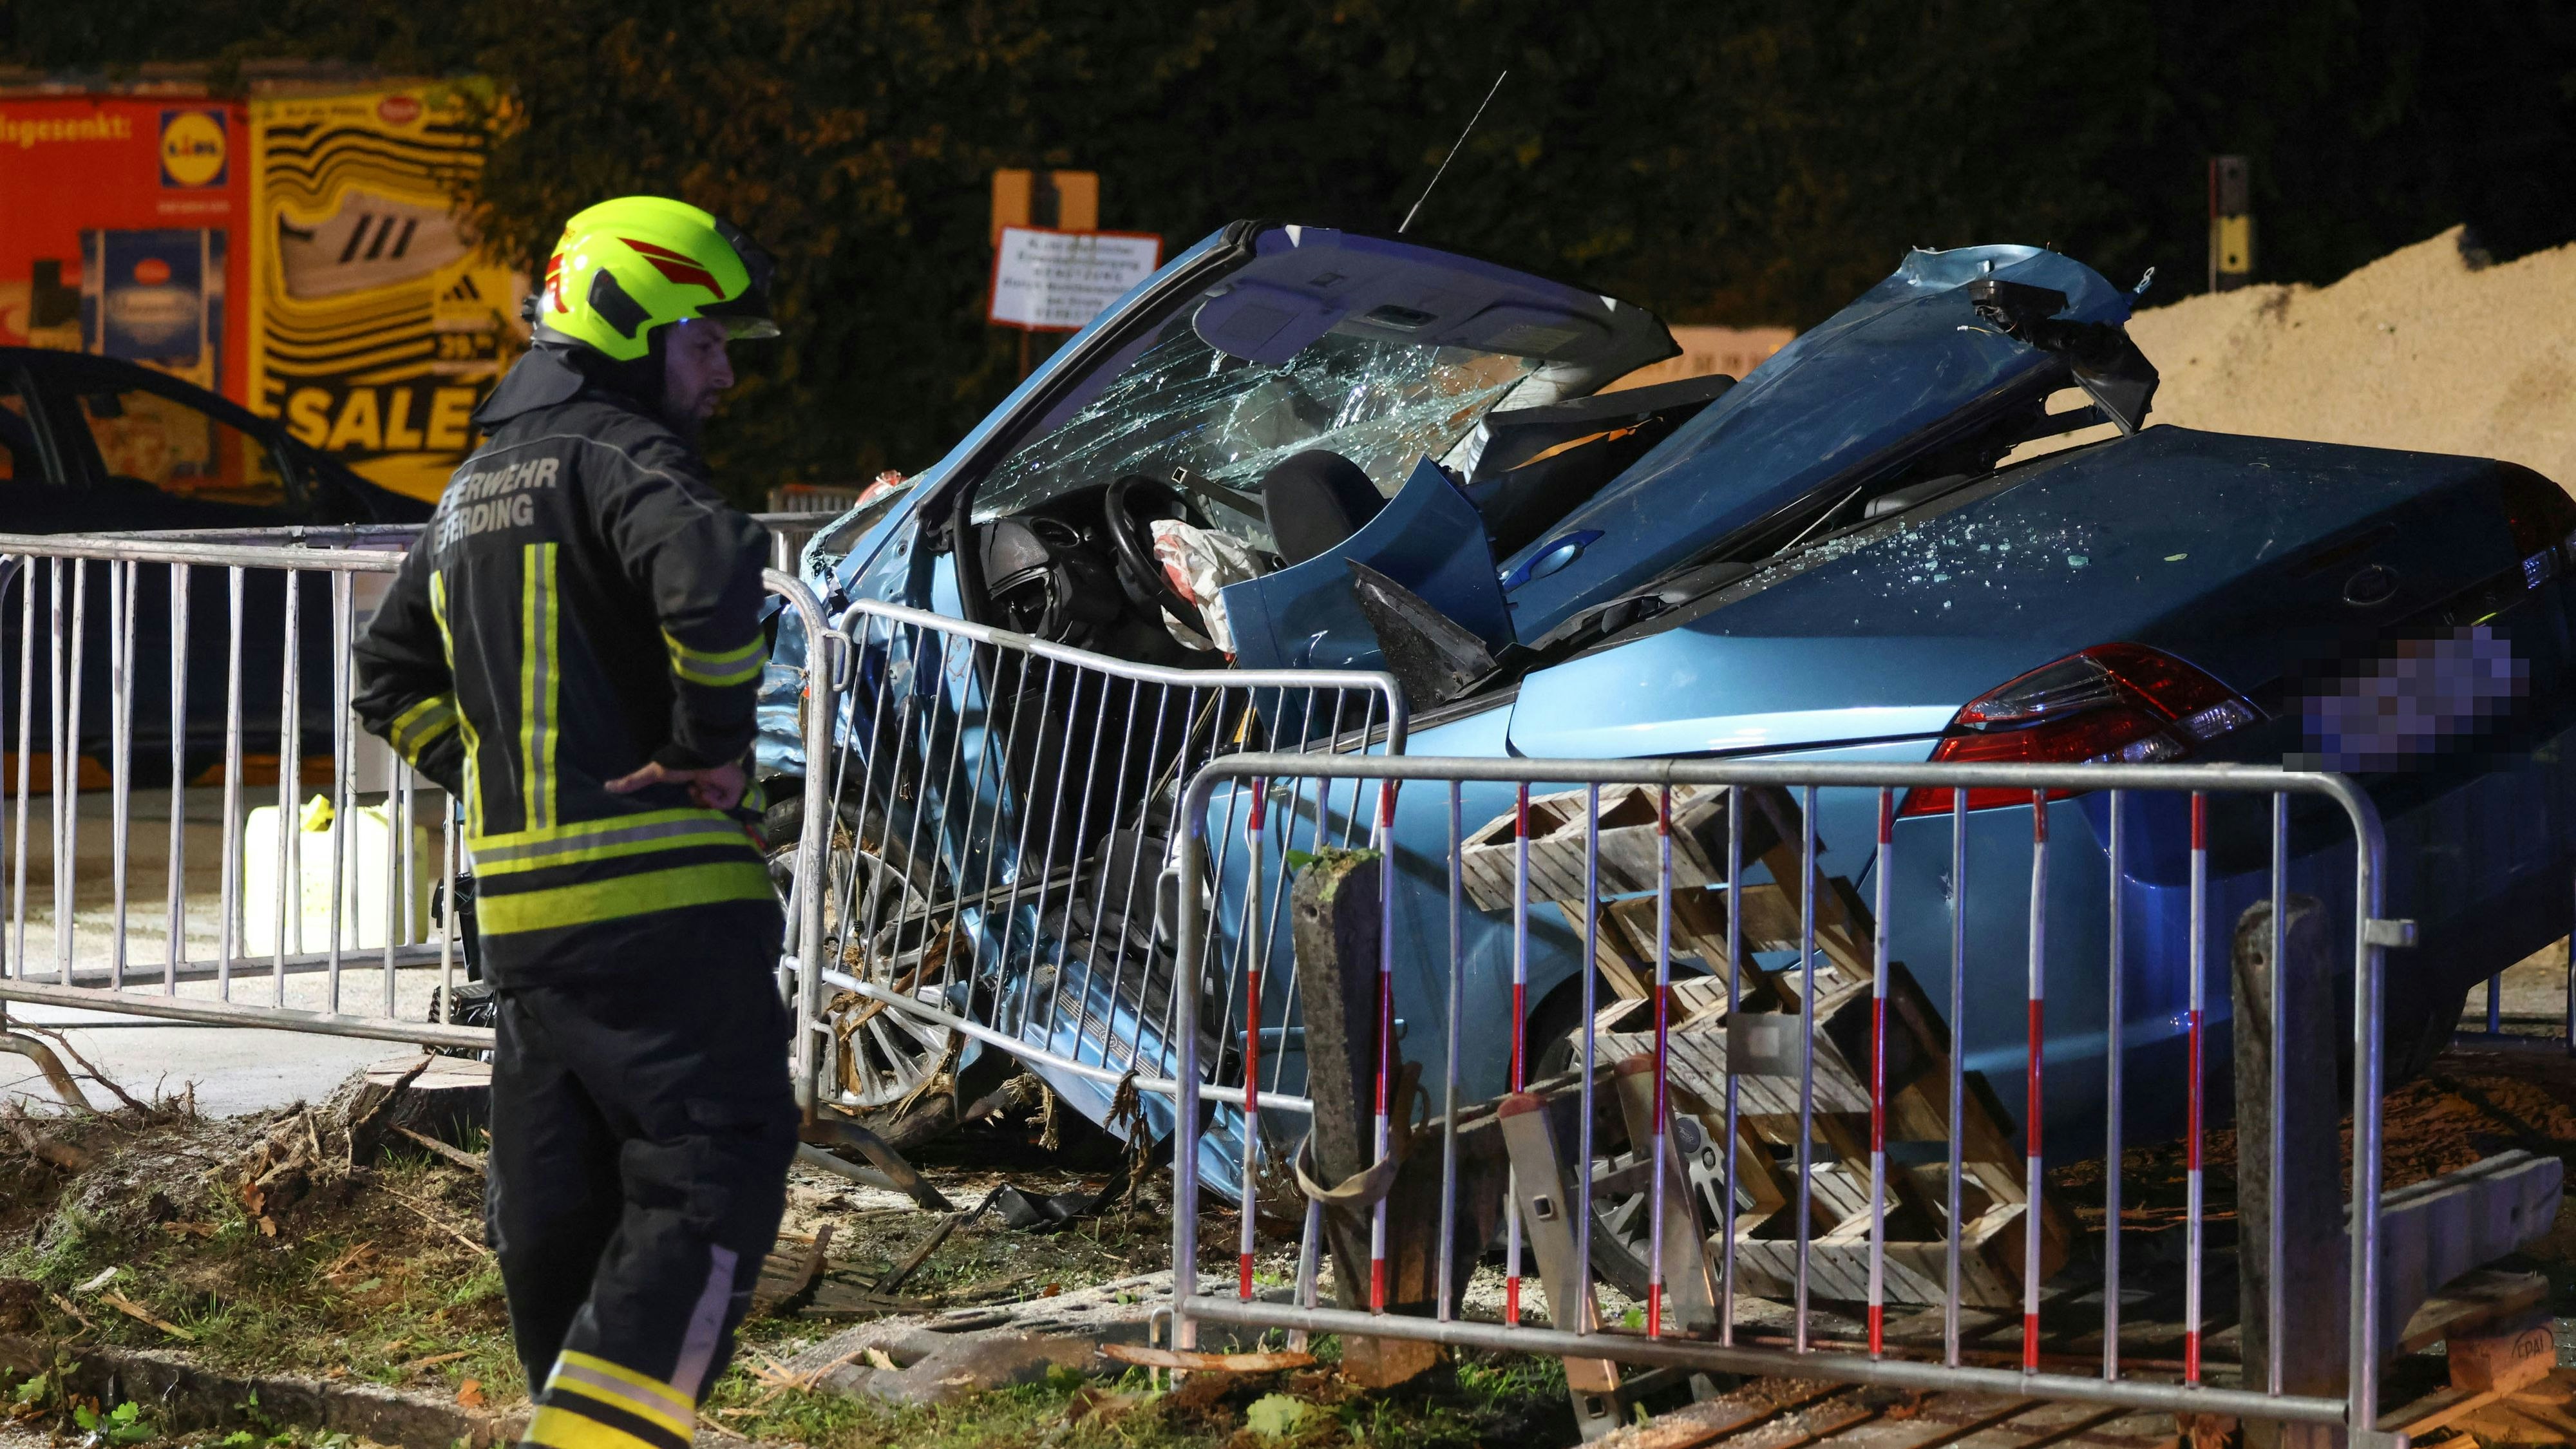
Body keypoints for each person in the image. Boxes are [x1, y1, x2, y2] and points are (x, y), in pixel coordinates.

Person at [353, 195, 793, 1449]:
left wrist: (506, 788)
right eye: (704, 340)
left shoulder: (478, 484)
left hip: (530, 936)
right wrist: (708, 754)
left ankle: (573, 1415)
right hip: (664, 917)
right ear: (628, 323)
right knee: (715, 1176)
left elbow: (386, 681)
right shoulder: (623, 458)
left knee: (557, 1209)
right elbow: (711, 582)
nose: (721, 373)